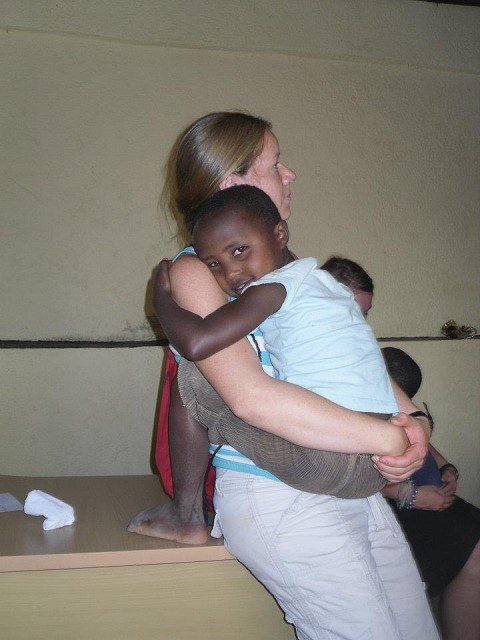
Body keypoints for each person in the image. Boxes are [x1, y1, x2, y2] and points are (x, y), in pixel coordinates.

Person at [129, 111, 438, 639]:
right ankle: (187, 515)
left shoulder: (284, 265)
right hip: (282, 495)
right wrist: (391, 436)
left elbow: (347, 356)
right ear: (233, 183)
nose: (289, 174)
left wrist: (412, 418)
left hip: (351, 483)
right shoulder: (195, 271)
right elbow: (251, 398)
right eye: (275, 164)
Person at [381, 347, 480, 640]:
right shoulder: (357, 413)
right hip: (390, 506)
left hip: (424, 500)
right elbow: (354, 479)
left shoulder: (403, 414)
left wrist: (446, 467)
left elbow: (423, 444)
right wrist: (409, 495)